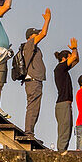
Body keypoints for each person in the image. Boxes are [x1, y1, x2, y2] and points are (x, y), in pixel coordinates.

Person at [20, 7, 51, 137]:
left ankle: (30, 131)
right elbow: (43, 34)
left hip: (34, 81)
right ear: (30, 37)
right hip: (33, 81)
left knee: (34, 107)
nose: (37, 35)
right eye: (35, 34)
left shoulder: (32, 47)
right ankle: (28, 132)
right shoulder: (29, 45)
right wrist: (47, 20)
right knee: (33, 107)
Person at [52, 37, 79, 150]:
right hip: (62, 104)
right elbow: (74, 58)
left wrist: (74, 51)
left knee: (67, 127)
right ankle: (61, 151)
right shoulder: (60, 68)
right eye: (68, 57)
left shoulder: (64, 69)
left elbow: (76, 59)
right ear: (64, 58)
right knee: (64, 128)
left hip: (65, 104)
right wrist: (74, 48)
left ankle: (63, 149)